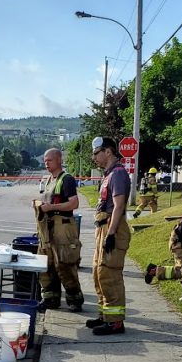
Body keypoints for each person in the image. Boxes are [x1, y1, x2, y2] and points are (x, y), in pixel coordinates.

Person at [87, 137, 130, 335]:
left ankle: (115, 322)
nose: (93, 157)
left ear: (108, 151)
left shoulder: (118, 174)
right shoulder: (108, 174)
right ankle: (105, 315)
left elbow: (119, 206)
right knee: (99, 273)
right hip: (102, 228)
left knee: (110, 274)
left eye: (96, 153)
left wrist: (111, 234)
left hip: (112, 229)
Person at [33, 148, 84, 313]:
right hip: (47, 229)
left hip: (63, 228)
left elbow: (74, 203)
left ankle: (74, 299)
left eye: (49, 160)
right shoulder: (48, 180)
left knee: (65, 264)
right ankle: (50, 298)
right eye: (45, 161)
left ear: (59, 160)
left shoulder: (66, 179)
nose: (46, 163)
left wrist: (52, 207)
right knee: (46, 265)